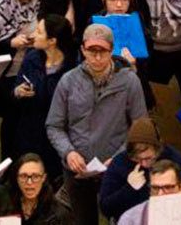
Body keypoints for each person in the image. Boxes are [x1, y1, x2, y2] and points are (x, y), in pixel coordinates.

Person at [45, 23, 147, 225]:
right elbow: (54, 125)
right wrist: (69, 152)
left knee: (121, 219)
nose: (97, 58)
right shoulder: (68, 81)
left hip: (117, 168)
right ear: (83, 49)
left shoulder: (129, 82)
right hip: (77, 171)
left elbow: (140, 128)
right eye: (92, 51)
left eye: (103, 51)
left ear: (112, 50)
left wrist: (119, 157)